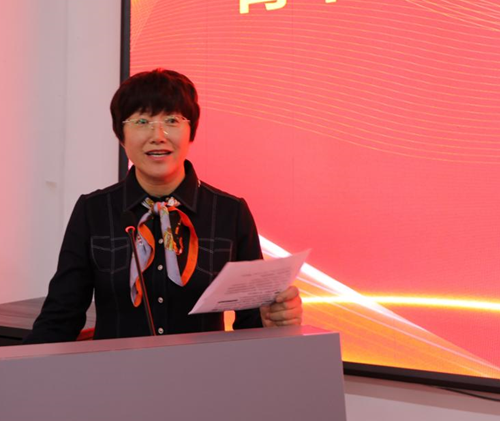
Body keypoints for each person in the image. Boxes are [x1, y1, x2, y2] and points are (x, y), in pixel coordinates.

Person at [23, 69, 302, 343]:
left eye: (171, 120)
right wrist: (14, 368)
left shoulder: (230, 213)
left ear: (191, 131)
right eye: (142, 121)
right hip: (116, 371)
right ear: (120, 135)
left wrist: (274, 323)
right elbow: (60, 318)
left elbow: (251, 324)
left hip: (204, 372)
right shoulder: (93, 211)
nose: (158, 135)